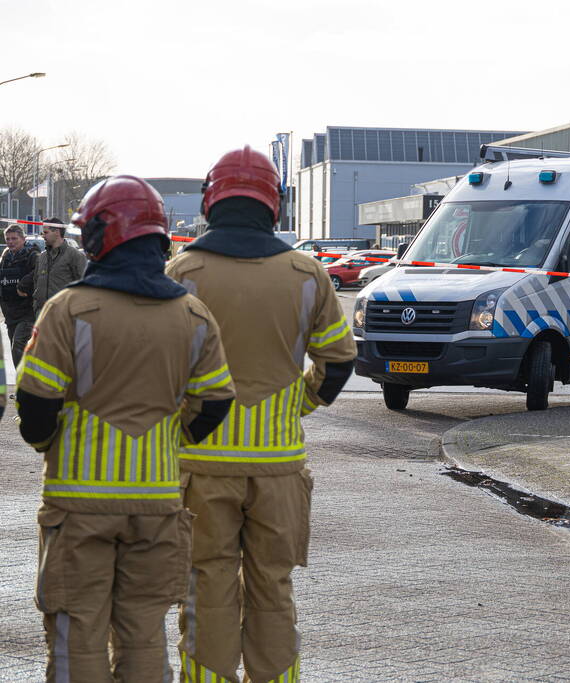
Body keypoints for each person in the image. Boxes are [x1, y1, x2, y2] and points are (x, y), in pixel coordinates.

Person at [16, 176, 235, 682]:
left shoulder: (68, 309)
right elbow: (217, 401)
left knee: (77, 630)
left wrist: (50, 443)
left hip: (79, 504)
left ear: (102, 236)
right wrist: (172, 439)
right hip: (158, 503)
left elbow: (36, 402)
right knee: (143, 631)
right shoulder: (193, 314)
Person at [166, 146, 355, 683]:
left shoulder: (183, 272)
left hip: (201, 466)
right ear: (274, 204)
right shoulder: (307, 274)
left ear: (210, 201)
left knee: (207, 584)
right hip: (279, 468)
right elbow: (339, 360)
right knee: (273, 585)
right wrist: (303, 400)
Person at [0, 223, 41, 367]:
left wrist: (23, 284)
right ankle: (23, 384)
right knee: (14, 347)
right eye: (8, 239)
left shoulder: (33, 256)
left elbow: (39, 274)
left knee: (19, 343)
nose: (10, 242)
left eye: (14, 239)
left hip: (27, 312)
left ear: (23, 239)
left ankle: (26, 384)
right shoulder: (5, 257)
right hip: (10, 313)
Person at [32, 217, 87, 314]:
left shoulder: (75, 256)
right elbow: (36, 282)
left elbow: (84, 287)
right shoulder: (42, 257)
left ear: (57, 232)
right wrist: (36, 307)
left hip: (65, 316)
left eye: (45, 233)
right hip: (42, 315)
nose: (43, 236)